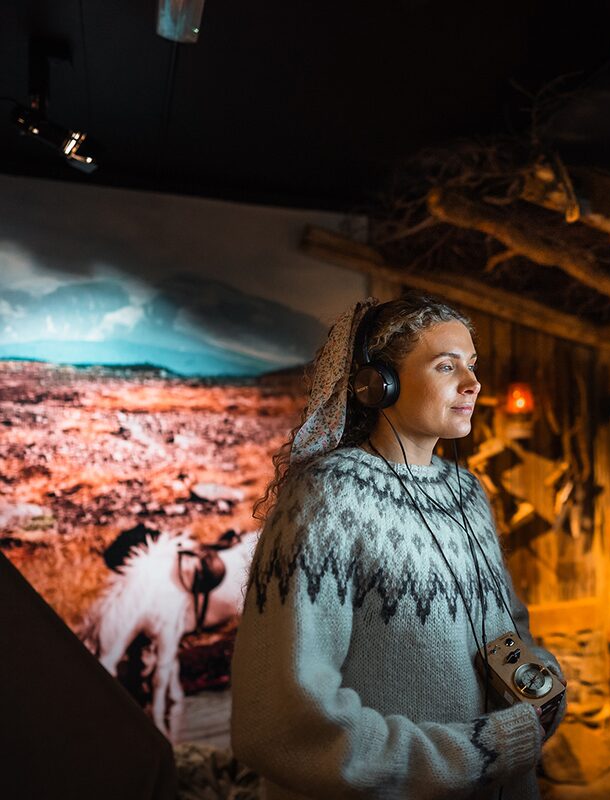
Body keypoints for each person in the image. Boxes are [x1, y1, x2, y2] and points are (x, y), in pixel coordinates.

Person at [231, 293, 566, 800]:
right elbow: (284, 721)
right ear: (378, 386)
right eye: (446, 366)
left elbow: (507, 631)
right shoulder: (327, 496)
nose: (473, 384)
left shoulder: (466, 491)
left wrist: (541, 690)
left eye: (472, 365)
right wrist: (485, 749)